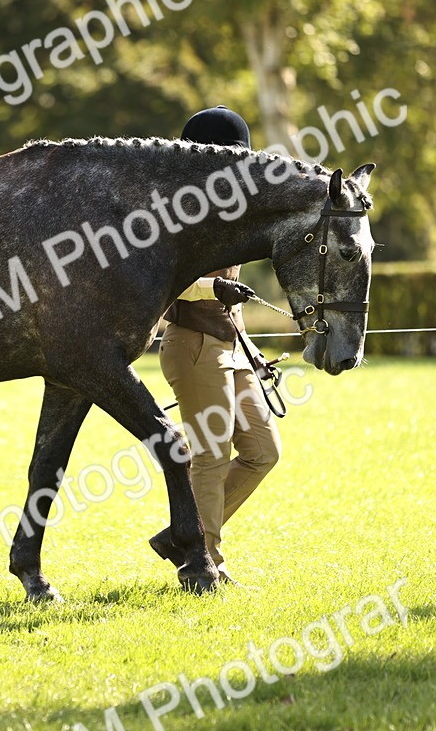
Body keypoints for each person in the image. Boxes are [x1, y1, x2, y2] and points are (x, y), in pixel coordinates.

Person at [149, 106, 282, 587]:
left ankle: (183, 534)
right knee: (210, 457)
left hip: (230, 347)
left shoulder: (232, 209)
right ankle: (205, 564)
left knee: (263, 450)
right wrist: (211, 290)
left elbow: (236, 295)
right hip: (192, 344)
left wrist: (251, 351)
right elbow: (163, 282)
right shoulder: (175, 212)